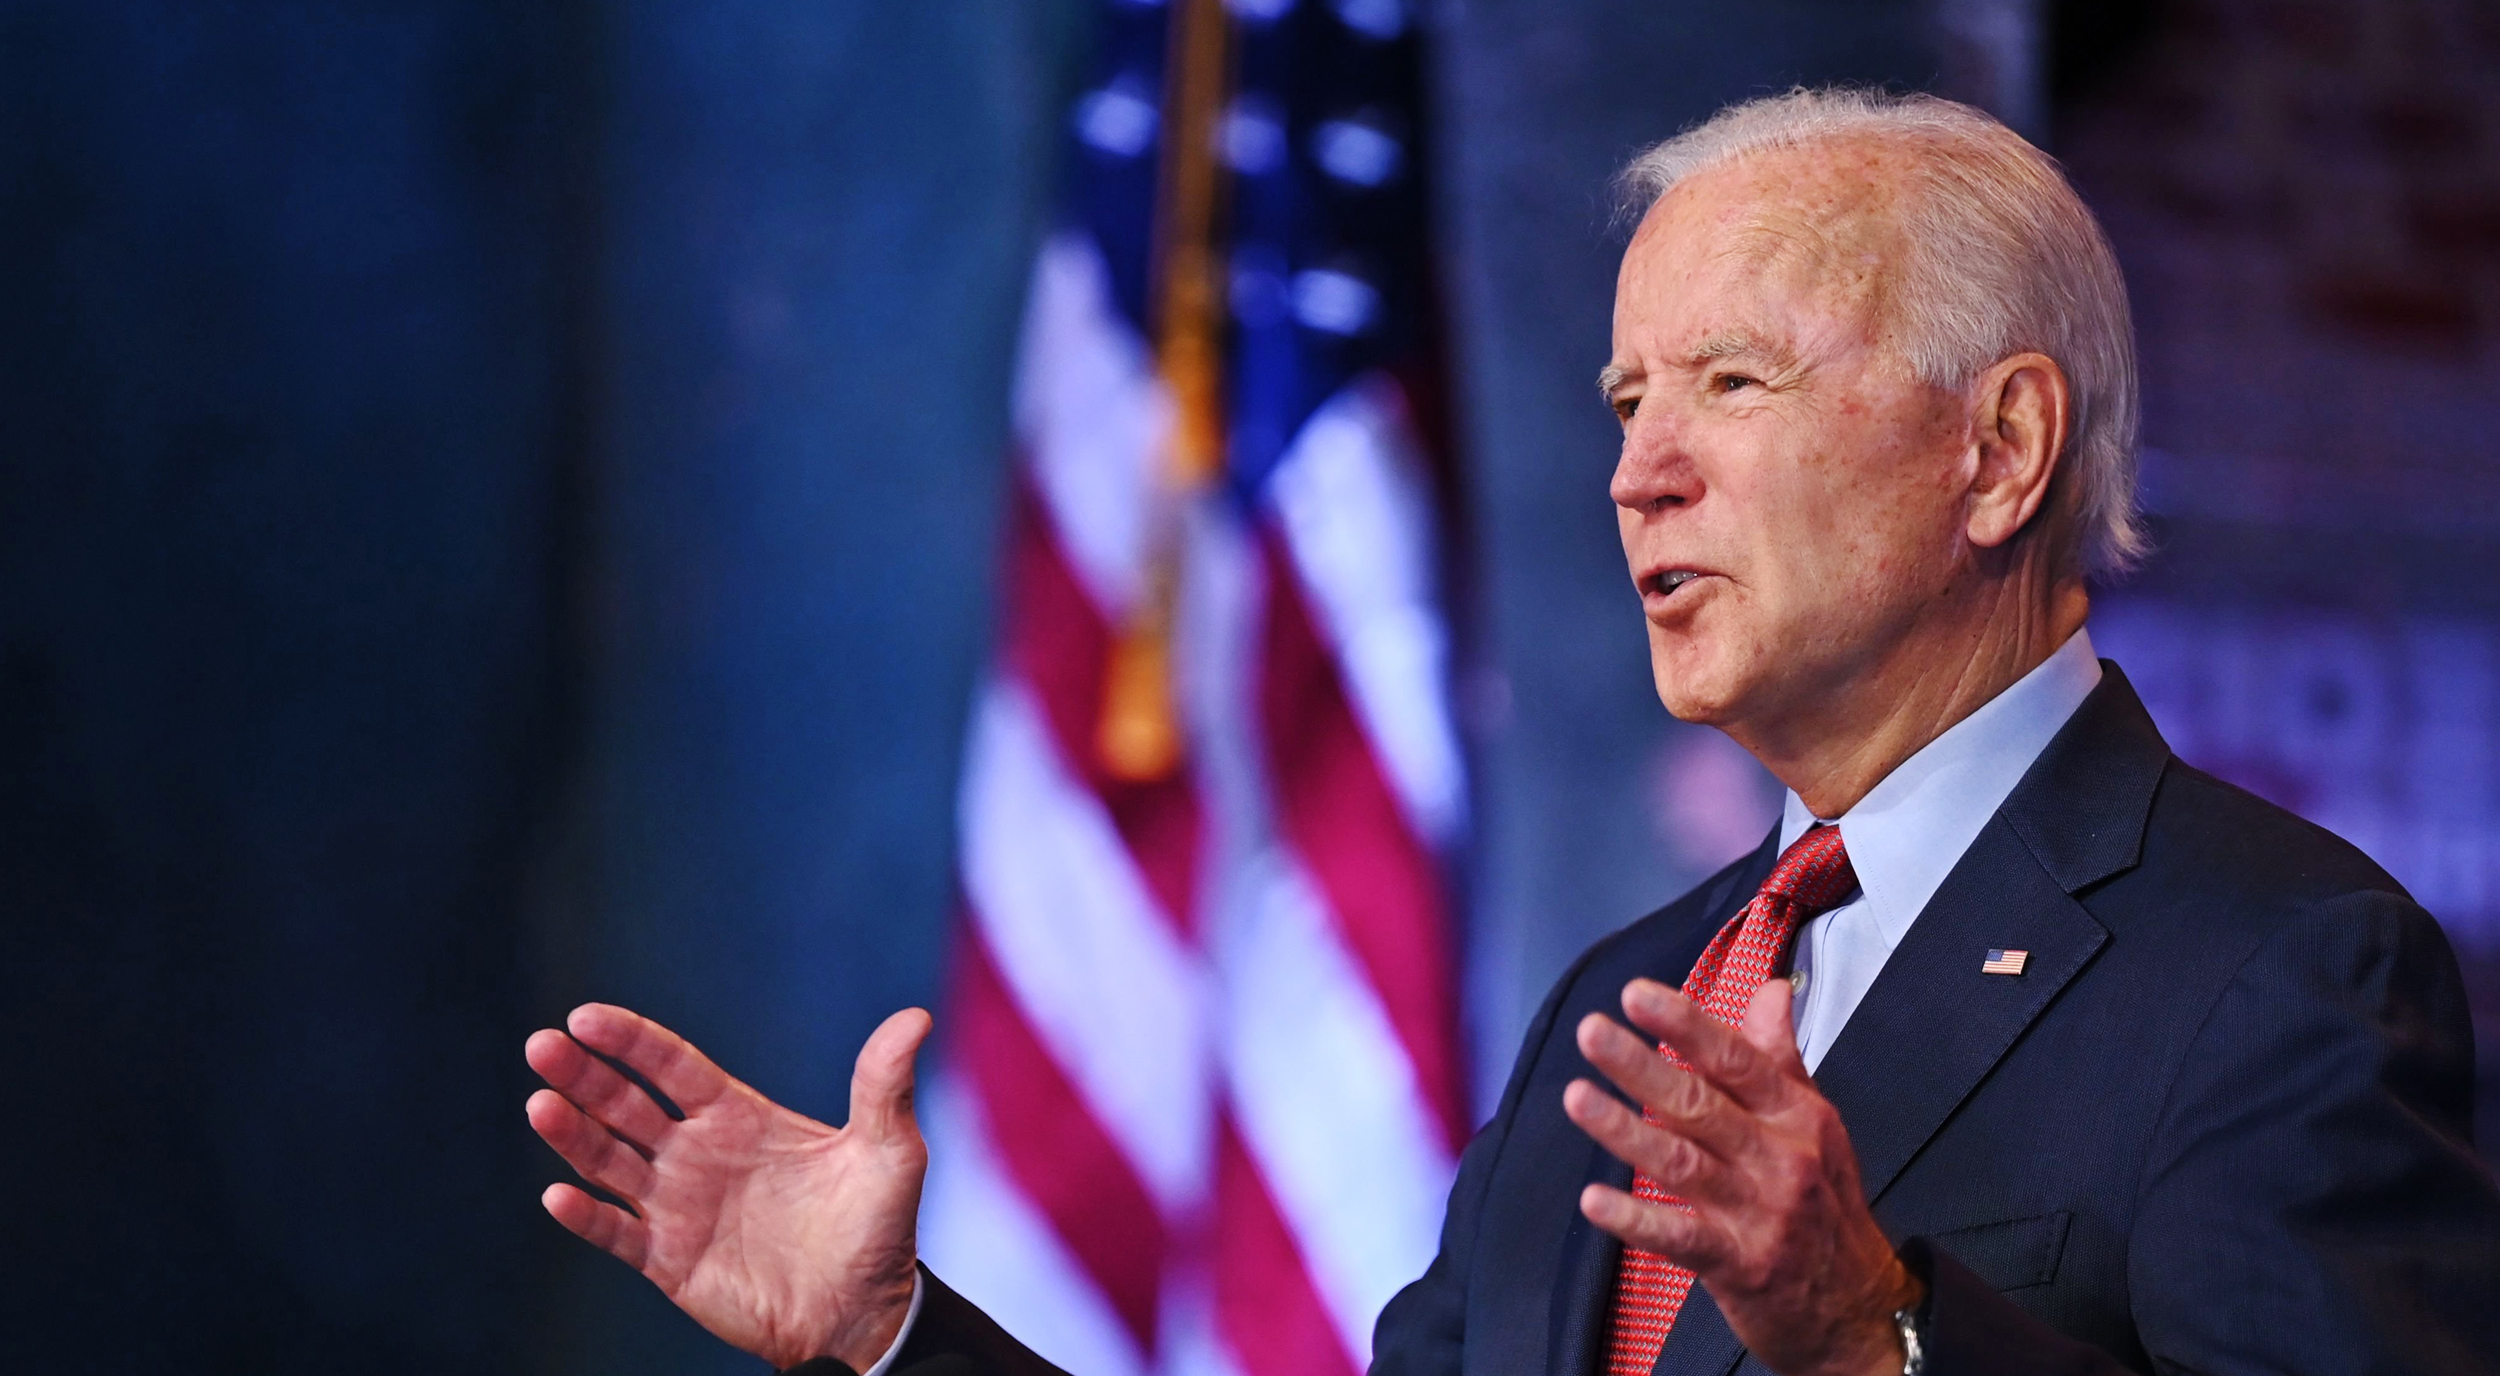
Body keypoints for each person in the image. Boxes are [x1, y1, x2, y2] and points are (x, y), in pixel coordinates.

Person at [523, 89, 2500, 1376]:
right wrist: (894, 1337)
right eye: (1624, 398)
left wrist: (1872, 1343)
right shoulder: (1636, 997)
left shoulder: (2277, 969)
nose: (1638, 472)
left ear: (1995, 451)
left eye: (1729, 380)